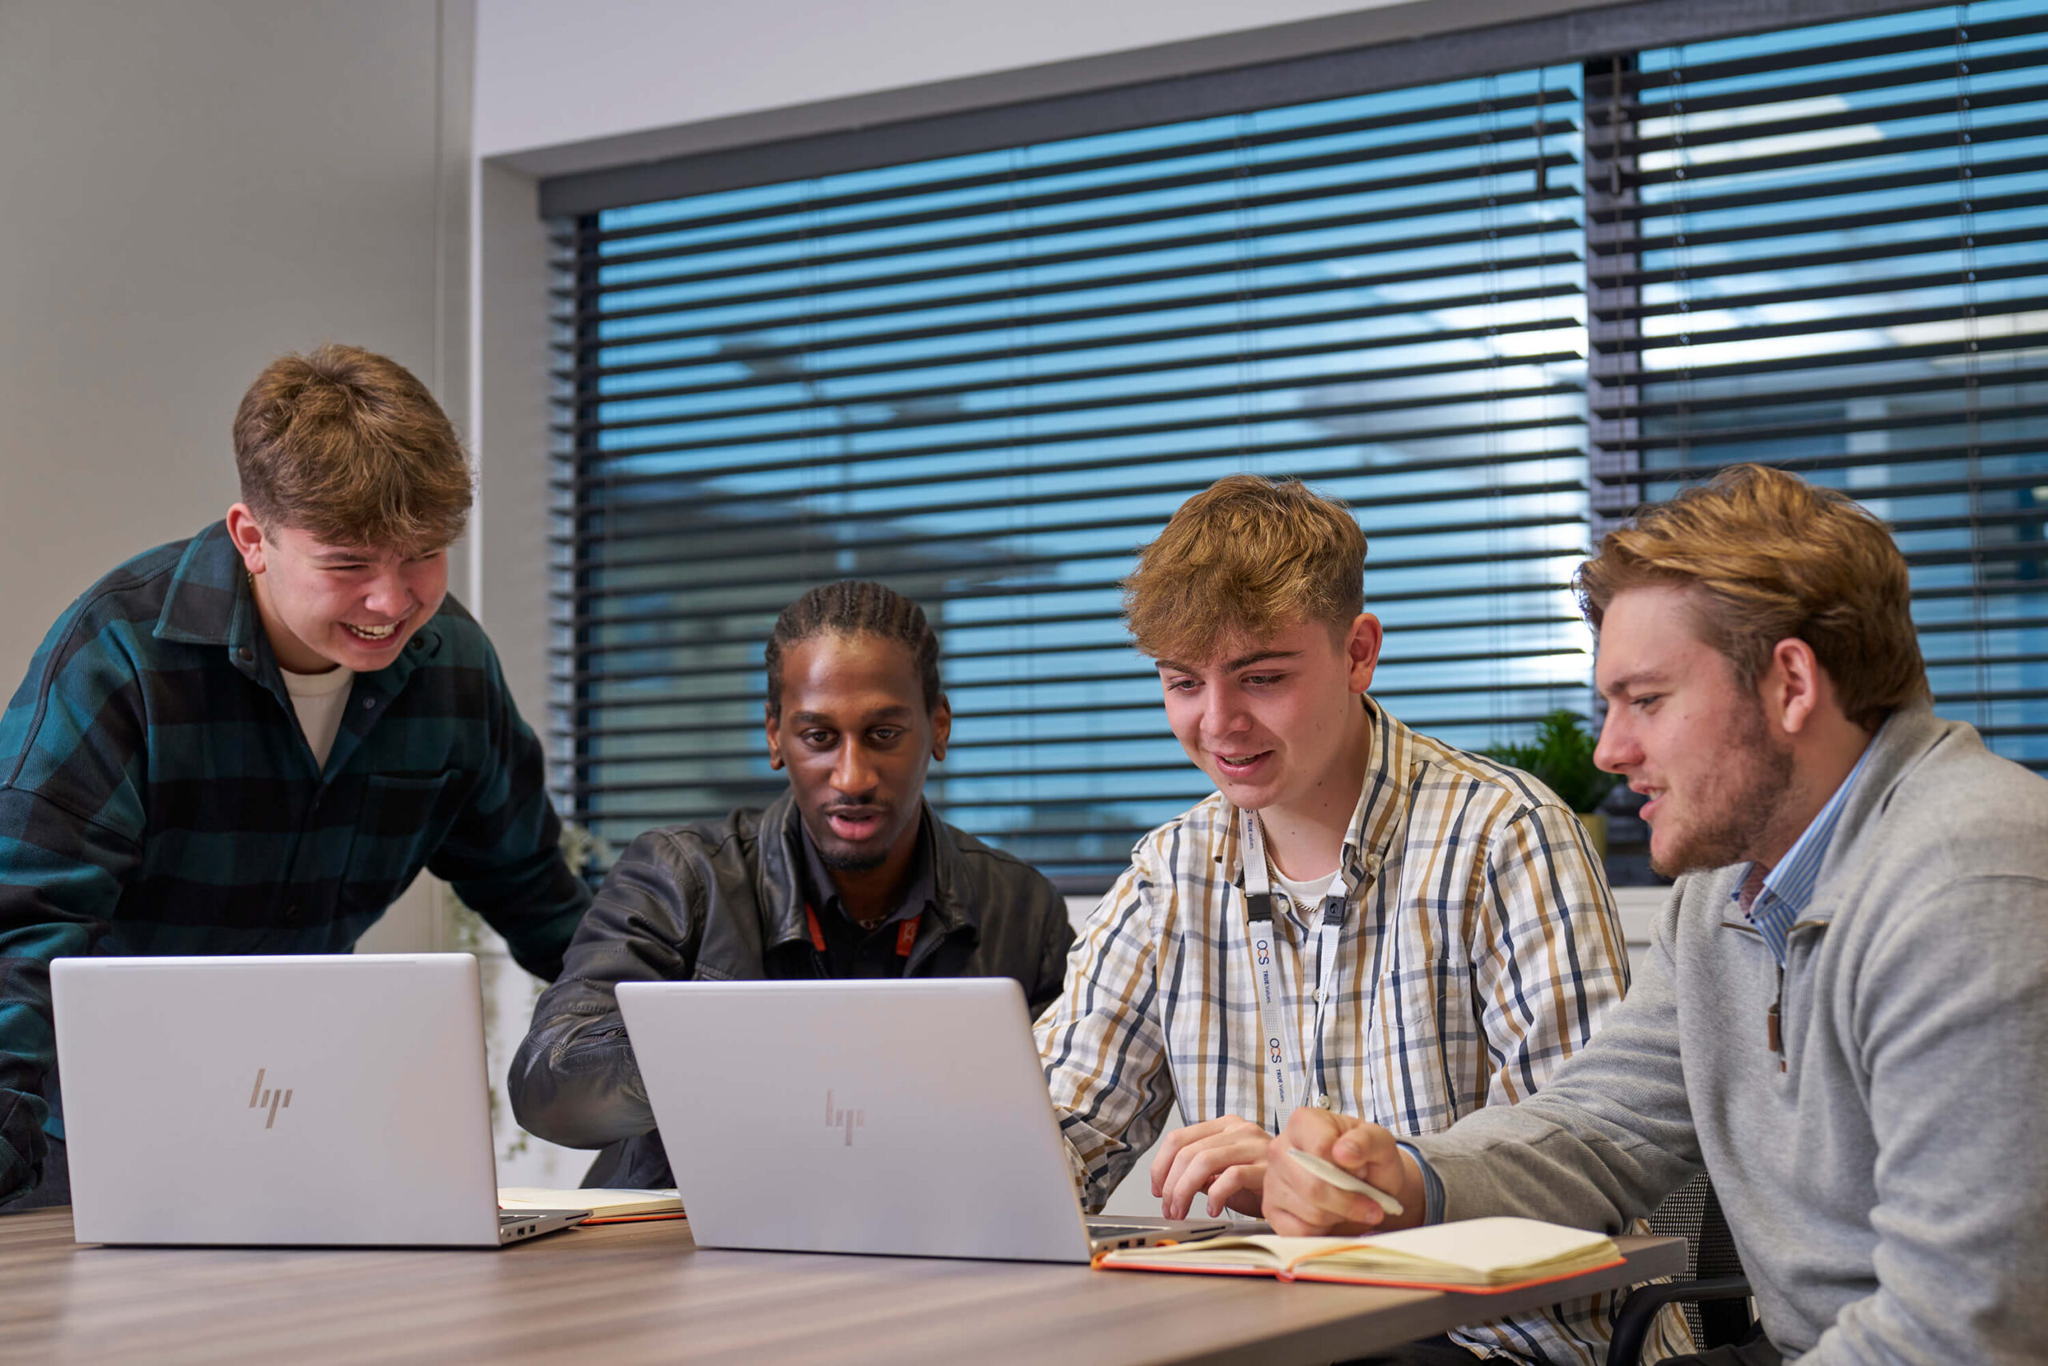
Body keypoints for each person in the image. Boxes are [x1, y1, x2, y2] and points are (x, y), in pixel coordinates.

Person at [1264, 464, 2048, 1365]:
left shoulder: (1970, 884)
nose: (1610, 749)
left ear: (1790, 684)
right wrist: (1407, 1178)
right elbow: (1602, 1129)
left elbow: (1964, 1327)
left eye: (1646, 700)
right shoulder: (1729, 889)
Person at [1034, 475, 1677, 1364]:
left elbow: (1583, 1159)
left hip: (1506, 1343)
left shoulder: (1503, 837)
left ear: (1358, 653)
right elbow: (1058, 1129)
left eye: (1261, 677)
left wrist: (1336, 1183)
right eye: (1183, 683)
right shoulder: (1171, 873)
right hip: (1282, 1338)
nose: (1218, 723)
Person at [0, 344, 592, 1210]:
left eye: (423, 554)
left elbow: (542, 898)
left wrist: (674, 1043)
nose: (393, 602)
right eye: (349, 564)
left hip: (301, 1121)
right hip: (81, 1137)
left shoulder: (452, 668)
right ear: (253, 537)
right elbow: (21, 928)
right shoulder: (122, 655)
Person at [510, 580, 1074, 1186]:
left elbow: (1050, 1129)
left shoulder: (1021, 907)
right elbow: (550, 1086)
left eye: (884, 734)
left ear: (938, 728)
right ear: (775, 735)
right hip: (675, 1249)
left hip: (908, 1246)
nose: (853, 777)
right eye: (818, 737)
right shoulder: (680, 875)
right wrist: (747, 1049)